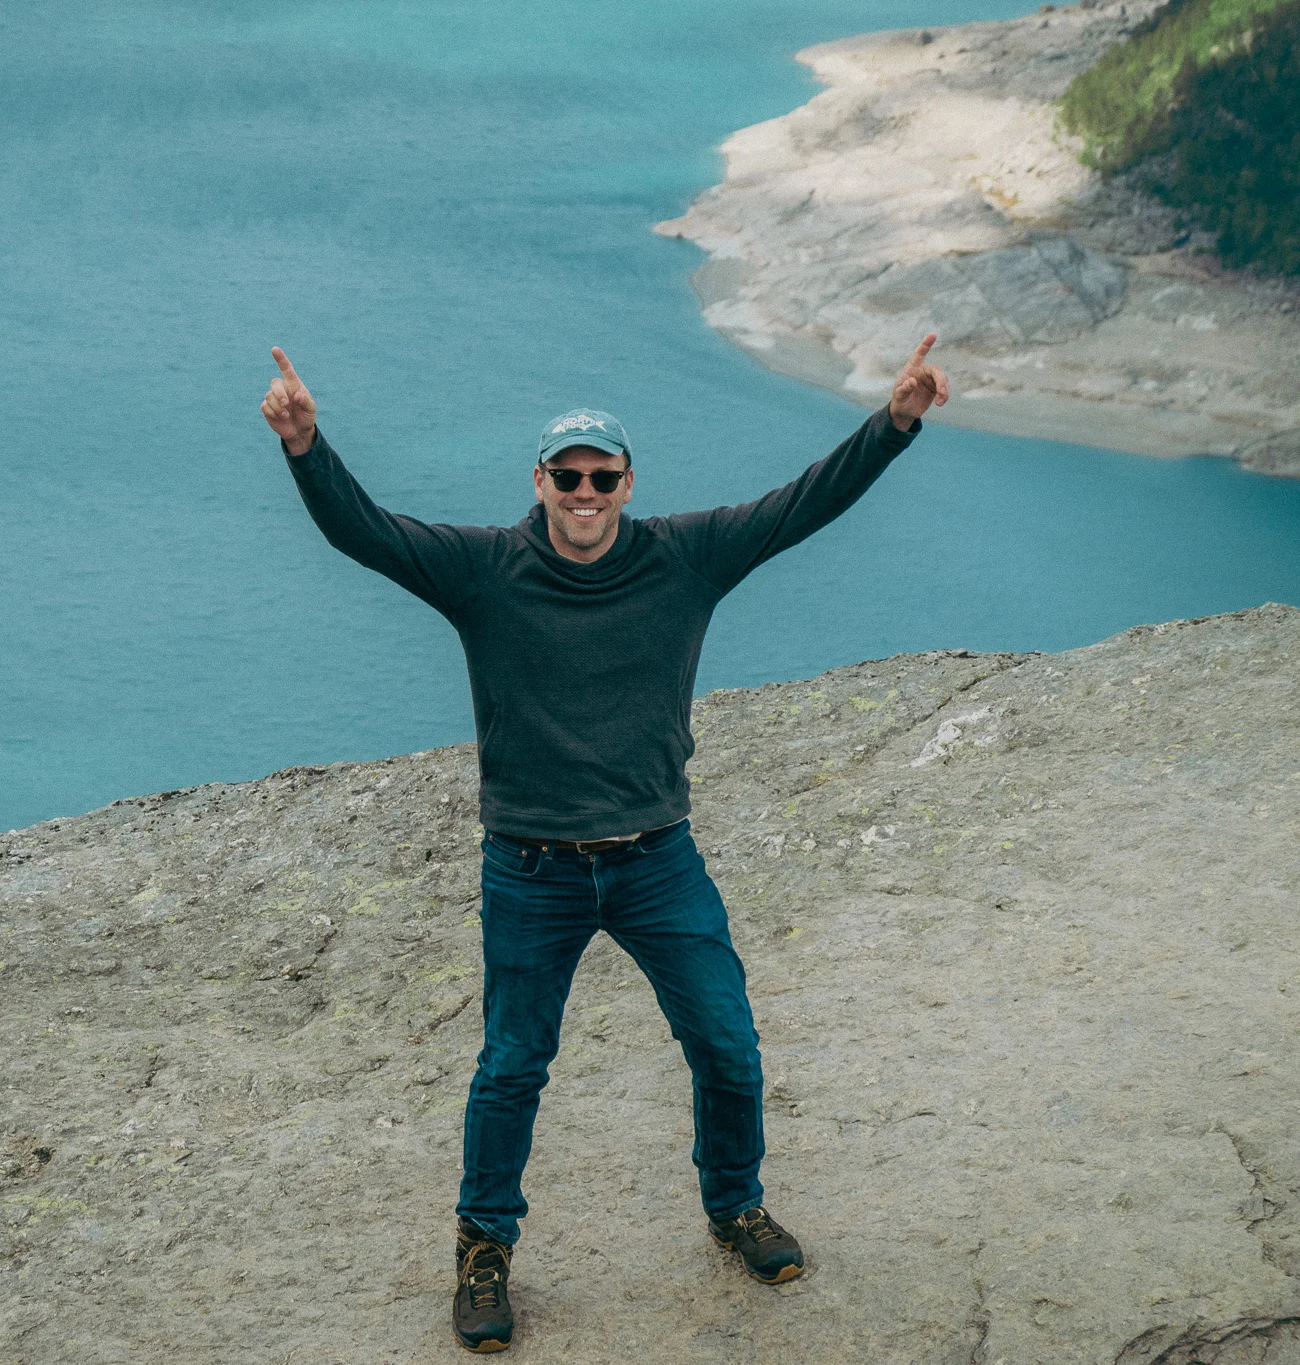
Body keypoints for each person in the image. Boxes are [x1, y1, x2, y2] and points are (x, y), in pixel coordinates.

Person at [261, 337, 949, 1353]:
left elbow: (803, 503)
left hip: (655, 860)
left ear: (627, 484)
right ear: (537, 482)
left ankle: (733, 1208)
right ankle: (483, 1254)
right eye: (567, 476)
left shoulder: (687, 555)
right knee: (510, 1067)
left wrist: (893, 424)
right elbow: (363, 533)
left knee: (725, 1046)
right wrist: (307, 446)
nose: (585, 492)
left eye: (602, 476)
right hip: (530, 869)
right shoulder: (482, 572)